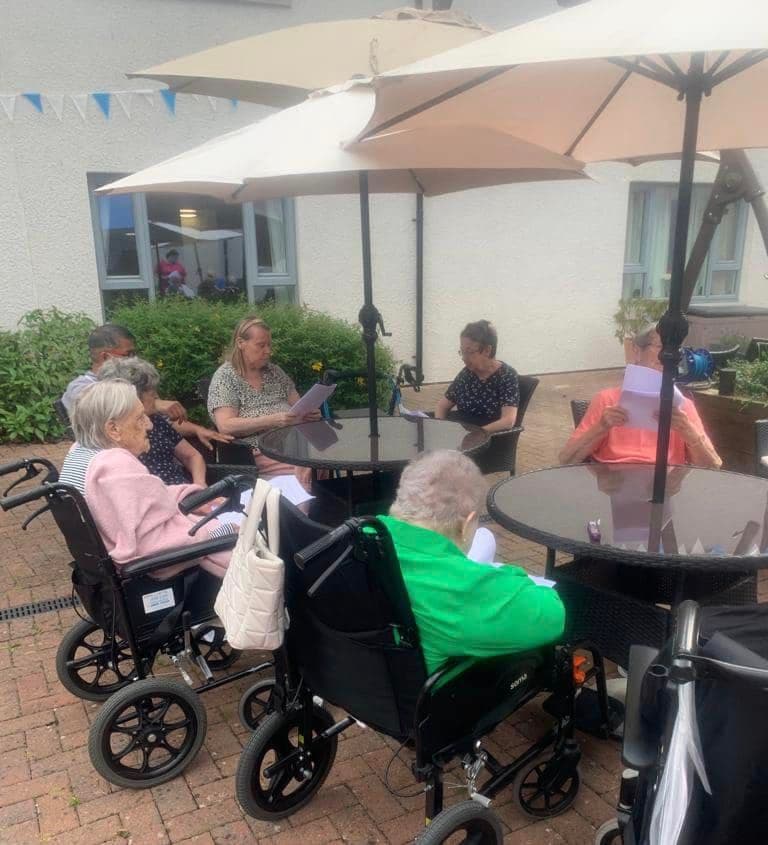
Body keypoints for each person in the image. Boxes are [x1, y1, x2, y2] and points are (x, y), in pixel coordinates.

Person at [378, 450, 565, 674]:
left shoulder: (355, 540)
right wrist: (508, 574)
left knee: (484, 542)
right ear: (467, 525)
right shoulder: (462, 587)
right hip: (432, 695)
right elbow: (553, 616)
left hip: (363, 681)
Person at [59, 380, 235, 579]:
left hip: (109, 572)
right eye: (139, 417)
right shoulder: (114, 466)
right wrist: (219, 531)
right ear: (113, 429)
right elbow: (152, 546)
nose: (149, 424)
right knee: (249, 536)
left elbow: (143, 501)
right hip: (152, 569)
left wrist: (195, 496)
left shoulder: (81, 453)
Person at [558, 325, 722, 469]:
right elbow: (567, 459)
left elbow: (713, 466)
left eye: (674, 349)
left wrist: (686, 430)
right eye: (660, 346)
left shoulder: (683, 407)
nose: (668, 355)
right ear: (637, 351)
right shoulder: (606, 400)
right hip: (614, 484)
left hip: (663, 487)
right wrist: (601, 427)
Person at [61, 323, 230, 452]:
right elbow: (103, 409)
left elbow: (160, 422)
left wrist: (197, 430)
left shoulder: (128, 381)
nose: (135, 358)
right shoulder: (81, 388)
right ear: (106, 356)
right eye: (129, 354)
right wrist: (153, 404)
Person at [207, 315, 320, 483]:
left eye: (269, 345)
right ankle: (300, 505)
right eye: (261, 345)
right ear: (240, 343)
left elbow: (298, 405)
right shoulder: (226, 377)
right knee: (307, 476)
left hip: (295, 446)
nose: (268, 351)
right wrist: (272, 420)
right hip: (259, 453)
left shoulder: (275, 372)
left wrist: (308, 413)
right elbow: (225, 425)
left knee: (328, 465)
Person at [98, 357, 208, 486]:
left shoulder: (156, 420)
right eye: (151, 392)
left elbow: (191, 456)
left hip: (187, 495)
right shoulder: (117, 436)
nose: (157, 396)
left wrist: (199, 484)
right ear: (133, 395)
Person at [435, 320, 520, 433]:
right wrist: (439, 426)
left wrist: (476, 434)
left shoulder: (506, 376)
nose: (464, 358)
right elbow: (442, 406)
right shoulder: (467, 374)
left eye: (469, 352)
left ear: (487, 350)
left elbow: (508, 421)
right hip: (462, 437)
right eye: (462, 352)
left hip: (489, 440)